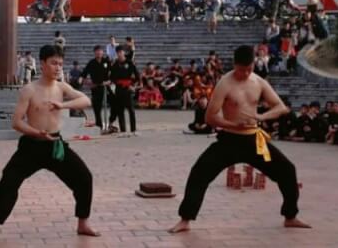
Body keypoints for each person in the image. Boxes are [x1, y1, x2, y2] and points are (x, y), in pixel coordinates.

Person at [169, 45, 311, 234]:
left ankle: (290, 216)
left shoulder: (258, 81)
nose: (245, 73)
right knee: (199, 173)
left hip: (254, 139)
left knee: (287, 170)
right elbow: (210, 117)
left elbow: (280, 107)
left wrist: (261, 117)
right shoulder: (224, 83)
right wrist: (233, 125)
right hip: (229, 140)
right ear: (234, 65)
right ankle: (185, 219)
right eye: (241, 69)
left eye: (249, 69)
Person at [0, 45, 99, 240]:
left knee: (84, 178)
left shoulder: (62, 87)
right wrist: (37, 133)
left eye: (60, 63)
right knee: (9, 180)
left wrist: (63, 104)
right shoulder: (29, 90)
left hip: (55, 145)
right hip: (32, 146)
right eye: (53, 63)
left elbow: (85, 100)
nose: (58, 67)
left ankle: (83, 223)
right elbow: (16, 122)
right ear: (42, 64)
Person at [80, 46, 111, 130]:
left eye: (100, 51)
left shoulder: (107, 61)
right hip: (96, 87)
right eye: (97, 51)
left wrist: (109, 81)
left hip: (107, 87)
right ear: (94, 53)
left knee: (115, 104)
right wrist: (86, 82)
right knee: (97, 107)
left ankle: (111, 122)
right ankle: (99, 125)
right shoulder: (91, 63)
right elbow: (84, 74)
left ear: (102, 52)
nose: (99, 53)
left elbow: (113, 72)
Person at [109, 49, 140, 135]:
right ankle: (123, 131)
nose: (120, 54)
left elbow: (137, 76)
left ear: (123, 53)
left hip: (128, 88)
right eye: (118, 52)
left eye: (121, 52)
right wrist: (113, 85)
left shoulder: (130, 63)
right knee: (120, 111)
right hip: (119, 89)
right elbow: (112, 77)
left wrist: (133, 86)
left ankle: (134, 130)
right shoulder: (115, 64)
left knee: (131, 110)